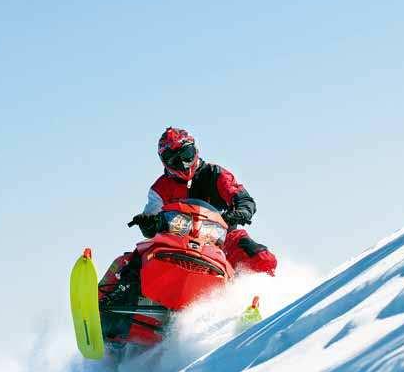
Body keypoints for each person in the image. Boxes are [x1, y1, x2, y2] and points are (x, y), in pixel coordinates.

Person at [99, 127, 277, 314]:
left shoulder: (216, 174)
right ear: (165, 163)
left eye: (186, 155)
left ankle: (264, 302)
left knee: (260, 257)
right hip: (177, 237)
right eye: (175, 161)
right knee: (135, 258)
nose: (183, 165)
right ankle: (107, 299)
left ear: (195, 150)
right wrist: (148, 222)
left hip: (221, 236)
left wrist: (241, 211)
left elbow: (242, 197)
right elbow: (150, 222)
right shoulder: (160, 188)